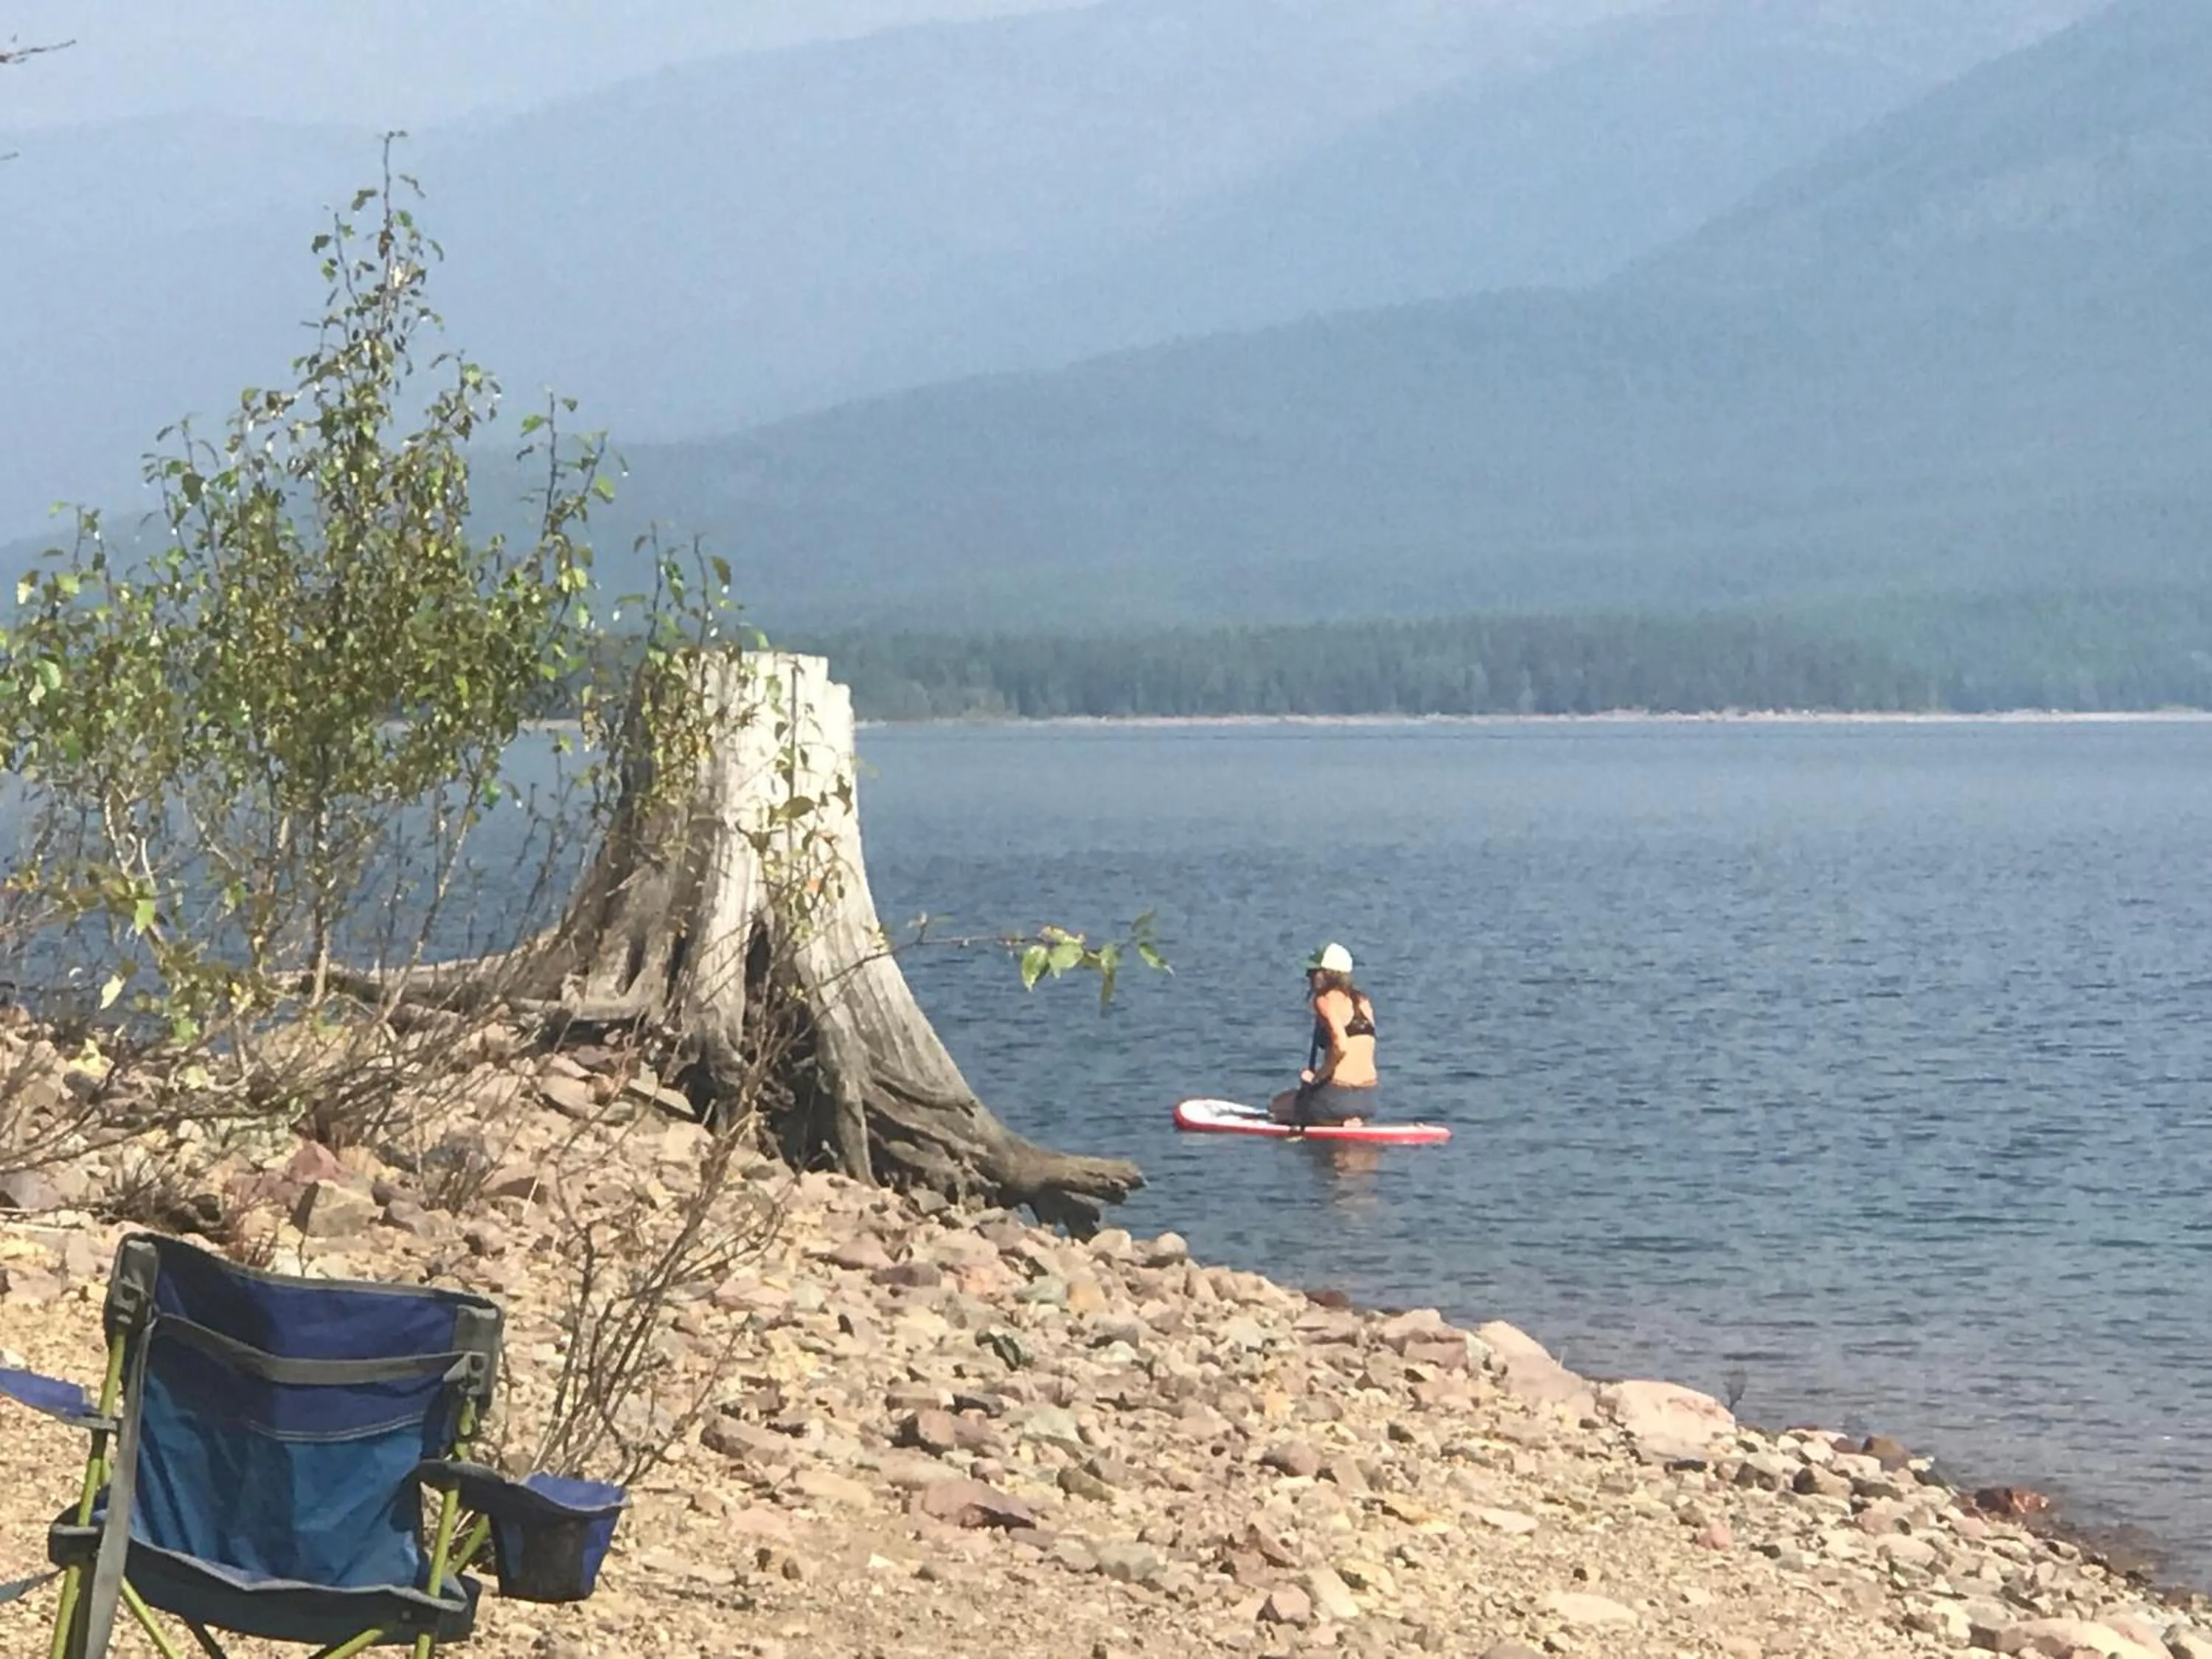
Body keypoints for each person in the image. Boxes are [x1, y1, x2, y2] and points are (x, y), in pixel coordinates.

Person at [1269, 942, 1380, 1127]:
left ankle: (1334, 1116)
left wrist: (1317, 1077)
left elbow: (1341, 1046)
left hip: (1338, 1094)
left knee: (1278, 1105)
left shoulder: (1324, 1001)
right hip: (1368, 1099)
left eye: (1313, 972)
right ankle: (1352, 1119)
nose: (1308, 977)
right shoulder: (1364, 1002)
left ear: (1326, 974)